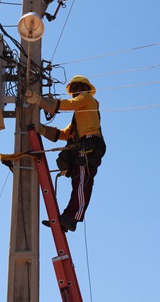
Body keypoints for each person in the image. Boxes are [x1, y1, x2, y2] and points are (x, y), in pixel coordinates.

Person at [25, 75, 106, 232]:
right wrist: (41, 129)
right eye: (73, 89)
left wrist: (40, 101)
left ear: (86, 89)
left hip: (89, 143)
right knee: (78, 181)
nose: (76, 91)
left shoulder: (87, 99)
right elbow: (64, 134)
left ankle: (73, 216)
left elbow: (69, 104)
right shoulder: (79, 115)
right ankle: (69, 217)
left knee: (83, 181)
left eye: (78, 88)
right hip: (82, 145)